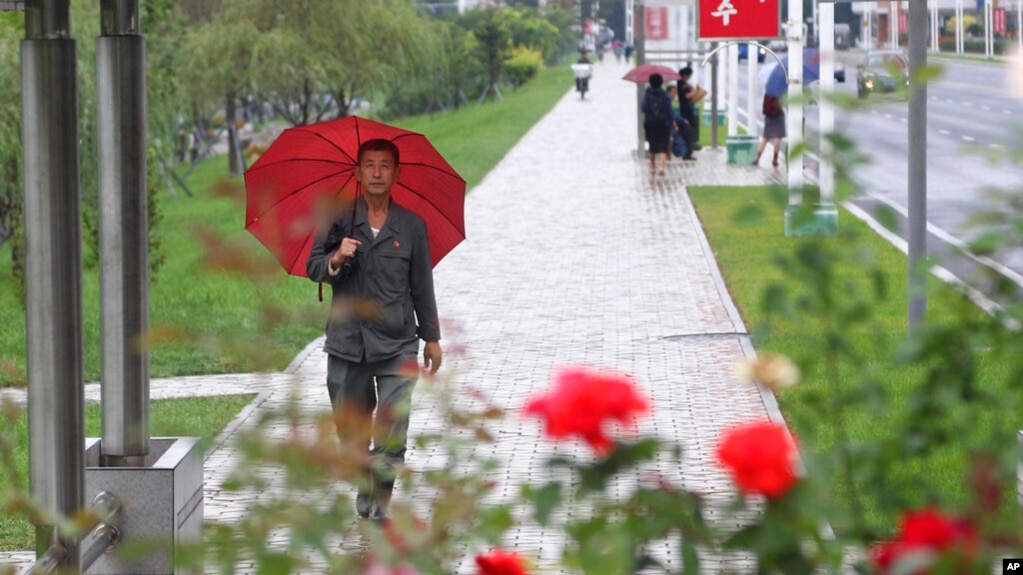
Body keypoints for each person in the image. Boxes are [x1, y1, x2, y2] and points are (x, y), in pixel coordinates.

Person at [306, 138, 442, 523]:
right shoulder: (338, 220)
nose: (377, 172)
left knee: (392, 426)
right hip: (347, 343)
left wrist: (431, 337)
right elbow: (313, 267)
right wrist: (336, 257)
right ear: (358, 172)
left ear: (396, 173)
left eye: (385, 165)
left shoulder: (413, 227)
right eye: (370, 165)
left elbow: (422, 285)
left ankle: (380, 499)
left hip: (398, 342)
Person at [641, 73, 674, 175]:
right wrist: (671, 122)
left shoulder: (647, 94)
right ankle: (661, 167)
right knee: (663, 145)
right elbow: (670, 111)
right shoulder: (665, 95)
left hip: (650, 124)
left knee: (652, 146)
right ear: (661, 82)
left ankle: (652, 167)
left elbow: (643, 108)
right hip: (663, 124)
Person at [665, 83, 697, 161]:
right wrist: (680, 121)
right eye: (673, 93)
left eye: (675, 93)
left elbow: (671, 114)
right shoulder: (666, 101)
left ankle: (689, 147)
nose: (674, 95)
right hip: (667, 125)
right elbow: (671, 115)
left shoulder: (667, 100)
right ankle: (688, 149)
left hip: (666, 124)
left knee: (685, 127)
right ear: (668, 92)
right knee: (686, 128)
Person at [754, 94, 785, 167]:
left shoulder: (768, 87)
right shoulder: (780, 87)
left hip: (768, 113)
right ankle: (775, 159)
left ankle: (757, 158)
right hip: (778, 113)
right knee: (778, 136)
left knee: (766, 137)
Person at [677, 67, 703, 150]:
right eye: (689, 75)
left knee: (690, 124)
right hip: (686, 108)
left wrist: (691, 87)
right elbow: (687, 96)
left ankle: (691, 142)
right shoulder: (682, 83)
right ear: (685, 75)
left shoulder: (682, 82)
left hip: (687, 106)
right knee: (689, 125)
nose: (690, 77)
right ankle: (690, 143)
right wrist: (695, 91)